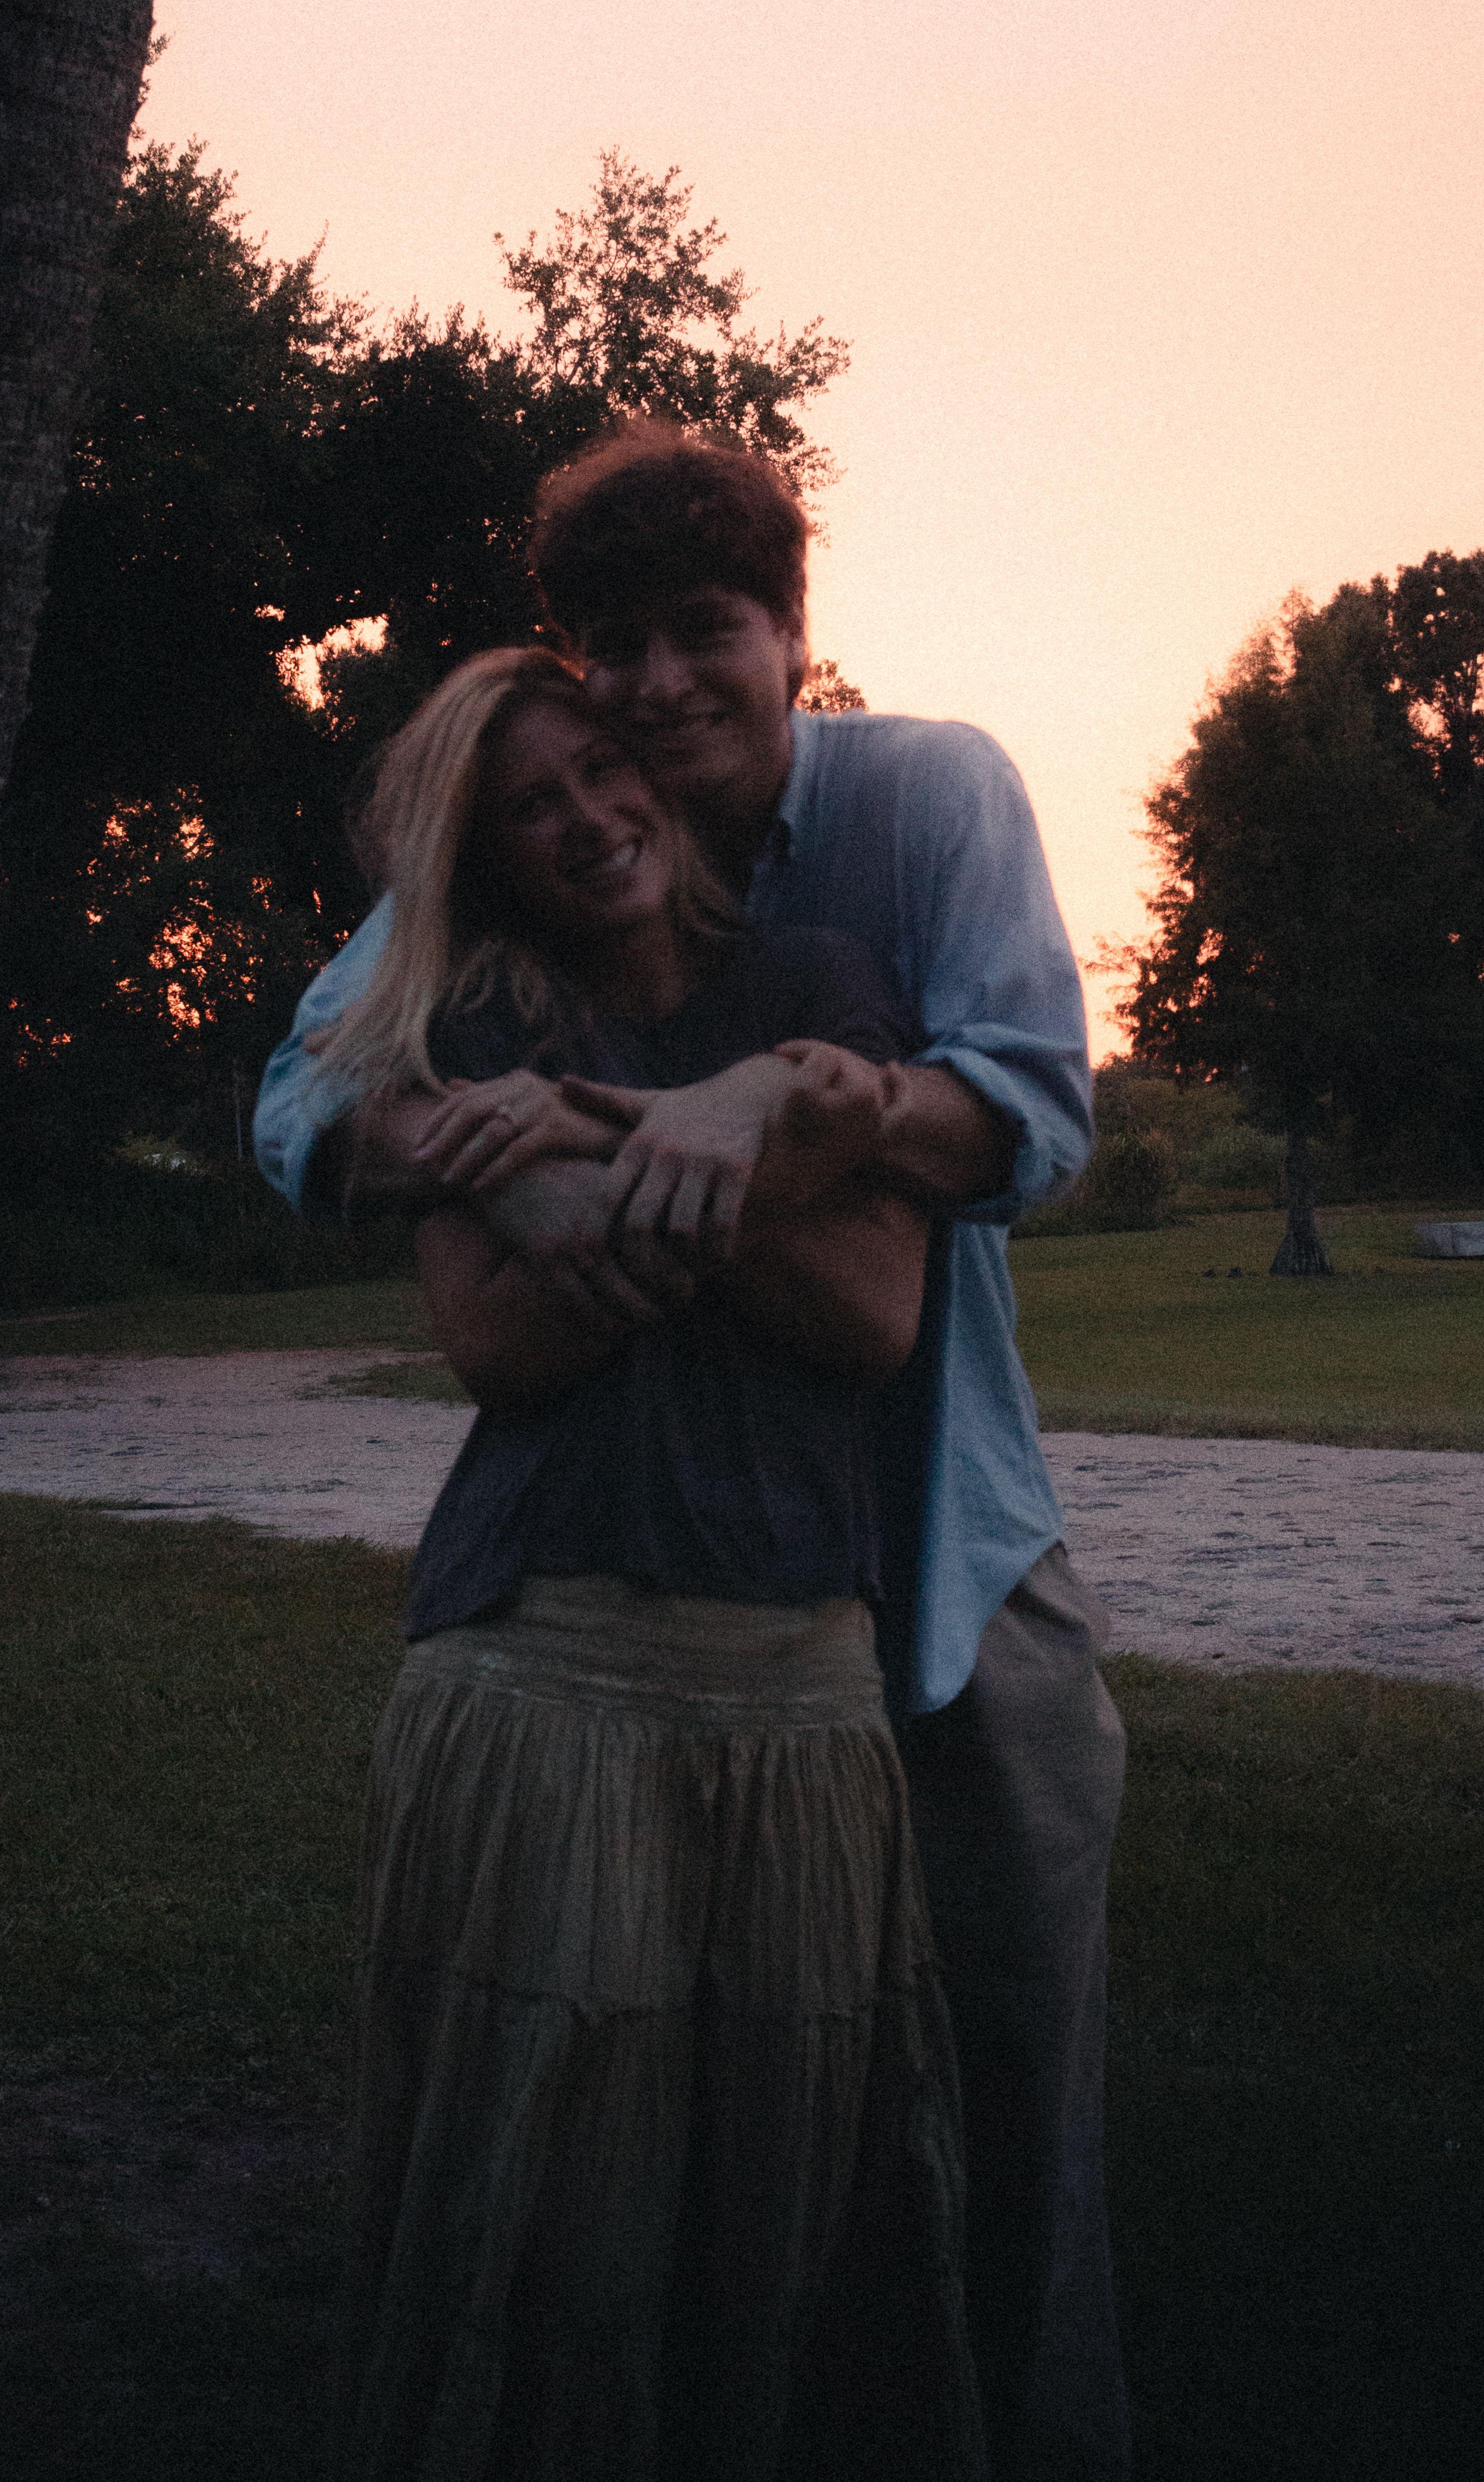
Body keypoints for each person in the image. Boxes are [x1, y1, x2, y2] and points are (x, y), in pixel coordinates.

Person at [261, 423, 1133, 2482]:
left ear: (792, 632)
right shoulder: (543, 861)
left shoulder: (925, 803)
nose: (657, 690)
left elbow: (1032, 1114)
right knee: (726, 2133)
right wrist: (494, 1149)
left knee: (1006, 2093)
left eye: (705, 631)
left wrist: (759, 1105)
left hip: (941, 1546)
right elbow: (308, 1095)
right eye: (617, 645)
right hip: (645, 1607)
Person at [329, 643, 987, 2482]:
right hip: (547, 1660)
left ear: (660, 772)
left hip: (803, 1687)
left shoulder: (825, 988)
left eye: (600, 769)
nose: (586, 818)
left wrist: (594, 1144)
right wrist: (738, 1173)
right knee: (552, 2216)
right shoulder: (478, 1023)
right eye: (527, 808)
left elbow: (872, 1317)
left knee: (790, 2206)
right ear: (487, 854)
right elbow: (502, 1346)